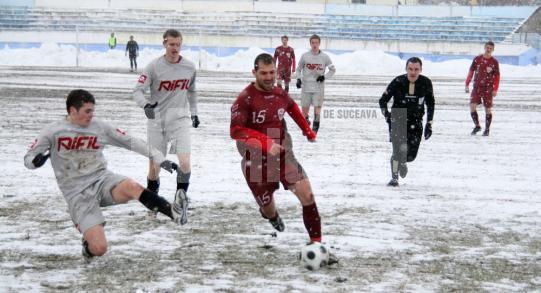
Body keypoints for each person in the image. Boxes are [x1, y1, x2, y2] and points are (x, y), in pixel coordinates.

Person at [24, 89, 184, 261]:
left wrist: (159, 158)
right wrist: (35, 161)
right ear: (72, 110)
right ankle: (88, 246)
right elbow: (29, 158)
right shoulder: (53, 131)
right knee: (100, 249)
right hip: (78, 194)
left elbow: (130, 141)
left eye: (93, 110)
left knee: (131, 186)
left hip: (102, 180)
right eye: (87, 111)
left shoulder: (99, 127)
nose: (91, 115)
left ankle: (173, 212)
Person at [230, 52, 336, 254]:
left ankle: (316, 245)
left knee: (307, 194)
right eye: (264, 73)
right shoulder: (245, 99)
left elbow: (292, 108)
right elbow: (236, 131)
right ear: (254, 72)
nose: (269, 77)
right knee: (267, 206)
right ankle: (271, 216)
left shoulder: (280, 93)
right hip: (255, 158)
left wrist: (307, 130)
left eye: (272, 73)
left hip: (282, 153)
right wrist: (265, 141)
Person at [133, 29, 198, 219]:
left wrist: (194, 113)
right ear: (164, 44)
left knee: (185, 163)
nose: (175, 48)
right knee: (155, 167)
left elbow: (192, 91)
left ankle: (180, 202)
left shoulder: (189, 67)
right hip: (157, 121)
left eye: (178, 44)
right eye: (171, 44)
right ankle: (153, 203)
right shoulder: (153, 67)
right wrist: (145, 105)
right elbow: (137, 91)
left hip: (179, 119)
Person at [379, 57, 435, 187]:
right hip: (398, 118)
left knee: (410, 156)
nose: (413, 72)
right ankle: (394, 178)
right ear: (406, 69)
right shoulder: (398, 81)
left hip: (416, 121)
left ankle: (404, 161)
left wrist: (429, 123)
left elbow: (431, 104)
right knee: (397, 151)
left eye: (416, 69)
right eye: (410, 69)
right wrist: (387, 116)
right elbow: (382, 101)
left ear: (420, 70)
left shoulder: (426, 83)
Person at [295, 34, 336, 134]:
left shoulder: (325, 57)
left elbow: (332, 70)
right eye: (313, 43)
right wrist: (298, 79)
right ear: (310, 43)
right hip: (306, 87)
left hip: (318, 88)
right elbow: (298, 69)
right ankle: (306, 122)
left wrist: (324, 77)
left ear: (319, 43)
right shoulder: (305, 56)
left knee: (317, 110)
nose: (314, 45)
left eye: (316, 43)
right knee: (304, 111)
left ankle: (314, 129)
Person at [465, 41, 500, 136]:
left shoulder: (494, 62)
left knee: (488, 109)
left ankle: (487, 129)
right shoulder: (477, 59)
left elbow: (497, 77)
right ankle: (477, 126)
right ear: (484, 47)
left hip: (488, 88)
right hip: (477, 87)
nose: (488, 49)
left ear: (493, 50)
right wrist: (467, 83)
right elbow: (471, 72)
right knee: (472, 106)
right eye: (487, 47)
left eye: (490, 48)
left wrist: (495, 89)